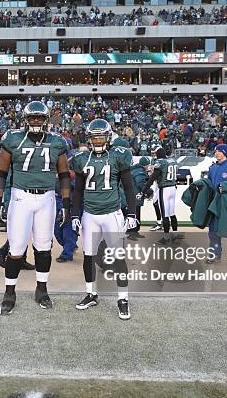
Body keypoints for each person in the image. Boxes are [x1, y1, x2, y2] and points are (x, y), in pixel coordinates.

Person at [0, 101, 71, 315]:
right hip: (21, 197)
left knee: (44, 247)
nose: (36, 120)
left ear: (46, 120)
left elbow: (64, 174)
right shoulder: (14, 139)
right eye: (32, 117)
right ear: (25, 119)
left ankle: (42, 290)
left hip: (46, 198)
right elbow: (0, 172)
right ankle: (9, 292)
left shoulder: (57, 142)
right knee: (16, 248)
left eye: (39, 117)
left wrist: (65, 204)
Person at [71, 119, 137, 320]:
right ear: (89, 138)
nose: (98, 140)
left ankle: (123, 298)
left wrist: (132, 213)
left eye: (101, 137)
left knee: (118, 257)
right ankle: (91, 293)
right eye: (94, 137)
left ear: (108, 138)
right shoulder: (82, 157)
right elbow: (79, 190)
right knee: (88, 256)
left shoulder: (118, 156)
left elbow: (128, 187)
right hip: (90, 214)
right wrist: (75, 213)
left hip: (112, 214)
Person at [141, 147, 178, 244]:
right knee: (172, 213)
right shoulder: (172, 161)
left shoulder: (160, 162)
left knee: (165, 215)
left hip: (165, 189)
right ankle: (174, 234)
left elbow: (153, 178)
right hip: (173, 188)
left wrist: (144, 190)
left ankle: (166, 238)